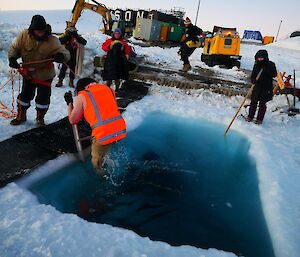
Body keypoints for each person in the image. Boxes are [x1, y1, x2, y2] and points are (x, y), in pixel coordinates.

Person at [8, 14, 70, 126]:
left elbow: (66, 53)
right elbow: (15, 48)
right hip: (28, 75)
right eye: (38, 31)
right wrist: (12, 58)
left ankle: (40, 118)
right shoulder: (23, 36)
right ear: (32, 30)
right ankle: (21, 116)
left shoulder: (52, 40)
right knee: (25, 96)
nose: (41, 33)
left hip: (45, 75)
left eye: (42, 31)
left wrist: (61, 56)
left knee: (43, 99)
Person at [64, 77, 126, 175]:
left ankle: (101, 176)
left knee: (97, 163)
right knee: (110, 150)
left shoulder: (83, 95)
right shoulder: (109, 89)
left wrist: (69, 103)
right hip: (120, 128)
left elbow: (73, 120)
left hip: (104, 133)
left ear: (80, 88)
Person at [246, 50, 277, 124]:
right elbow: (253, 75)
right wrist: (253, 80)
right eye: (258, 58)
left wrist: (266, 69)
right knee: (253, 102)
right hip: (257, 87)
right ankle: (250, 116)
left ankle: (259, 119)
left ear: (265, 57)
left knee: (262, 104)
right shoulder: (256, 65)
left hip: (266, 87)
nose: (259, 59)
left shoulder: (271, 64)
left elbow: (274, 74)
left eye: (261, 58)